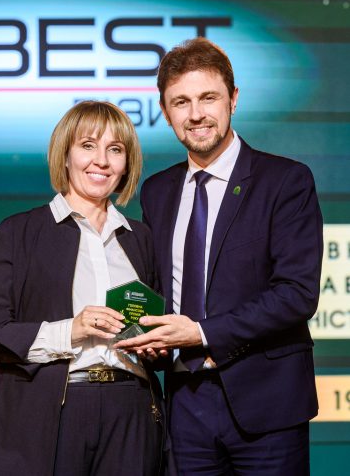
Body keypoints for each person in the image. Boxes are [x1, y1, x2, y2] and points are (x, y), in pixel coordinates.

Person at [114, 38, 323, 475]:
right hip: (184, 405)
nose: (195, 114)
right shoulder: (157, 191)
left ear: (233, 98)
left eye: (208, 97)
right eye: (181, 102)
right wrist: (148, 338)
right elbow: (161, 289)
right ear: (165, 110)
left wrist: (200, 333)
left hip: (267, 404)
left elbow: (296, 293)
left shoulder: (285, 181)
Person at [0, 101, 164, 476]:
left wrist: (155, 346)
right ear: (66, 155)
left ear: (127, 163)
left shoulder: (141, 239)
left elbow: (157, 328)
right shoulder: (19, 232)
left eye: (115, 149)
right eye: (88, 145)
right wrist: (71, 330)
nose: (101, 161)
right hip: (53, 410)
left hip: (132, 409)